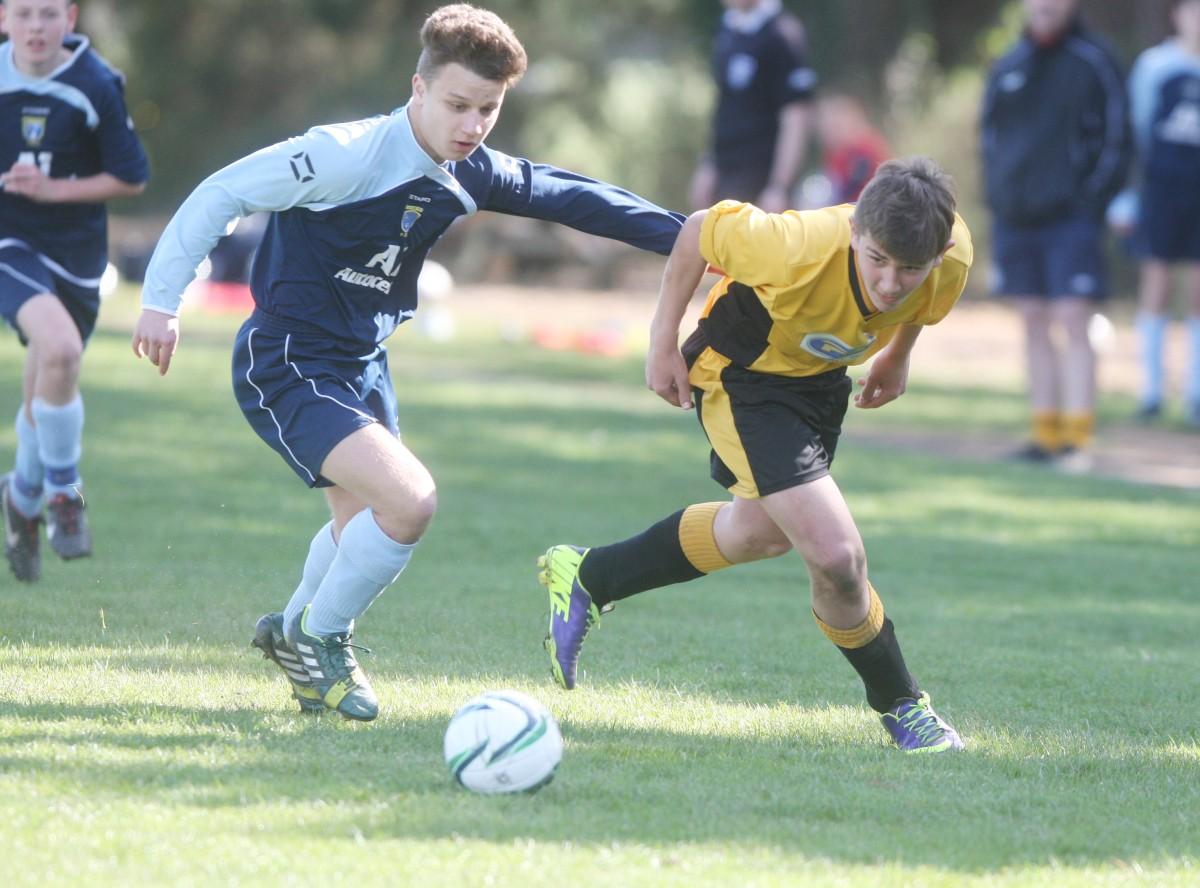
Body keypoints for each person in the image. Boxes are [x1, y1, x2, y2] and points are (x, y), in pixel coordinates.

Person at [131, 4, 684, 721]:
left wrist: (697, 238)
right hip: (291, 357)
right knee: (410, 501)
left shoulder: (471, 170)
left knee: (357, 518)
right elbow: (222, 192)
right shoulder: (343, 154)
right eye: (458, 104)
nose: (472, 125)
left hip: (362, 364)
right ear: (417, 88)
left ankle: (290, 629)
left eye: (488, 109)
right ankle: (318, 637)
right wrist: (161, 299)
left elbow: (572, 197)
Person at [539, 157, 971, 753]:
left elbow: (919, 305)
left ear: (941, 250)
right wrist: (661, 342)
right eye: (877, 260)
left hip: (819, 382)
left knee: (760, 533)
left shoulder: (951, 256)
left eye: (911, 269)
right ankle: (904, 707)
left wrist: (896, 356)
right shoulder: (793, 245)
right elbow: (697, 229)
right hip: (743, 374)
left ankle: (590, 574)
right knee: (836, 556)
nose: (892, 283)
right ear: (854, 233)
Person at [0, 0, 149, 582]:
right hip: (9, 244)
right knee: (58, 348)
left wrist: (51, 189)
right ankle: (64, 490)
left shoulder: (95, 83)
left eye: (47, 13)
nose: (35, 27)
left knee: (51, 374)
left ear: (70, 17)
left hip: (77, 256)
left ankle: (22, 496)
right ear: (3, 18)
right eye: (23, 14)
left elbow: (131, 176)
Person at [980, 0, 1131, 468]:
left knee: (1073, 318)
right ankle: (1044, 434)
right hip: (1017, 217)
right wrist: (1000, 197)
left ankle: (1077, 440)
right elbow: (989, 138)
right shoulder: (1009, 64)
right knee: (1032, 320)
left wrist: (1090, 200)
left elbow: (1118, 137)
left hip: (1073, 218)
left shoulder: (1095, 60)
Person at [1126, 0, 1200, 427]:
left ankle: (1194, 394)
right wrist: (1131, 195)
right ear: (1178, 15)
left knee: (1196, 294)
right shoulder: (1156, 65)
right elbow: (1137, 132)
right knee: (1156, 283)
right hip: (1161, 194)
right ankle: (1151, 392)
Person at [689, 0, 816, 214]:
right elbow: (725, 106)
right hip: (726, 179)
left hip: (760, 184)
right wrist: (709, 164)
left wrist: (779, 187)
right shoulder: (727, 30)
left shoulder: (781, 35)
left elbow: (796, 117)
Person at [816, 93, 891, 204]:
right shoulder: (836, 152)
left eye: (835, 125)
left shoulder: (865, 148)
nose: (829, 132)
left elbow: (847, 191)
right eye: (826, 126)